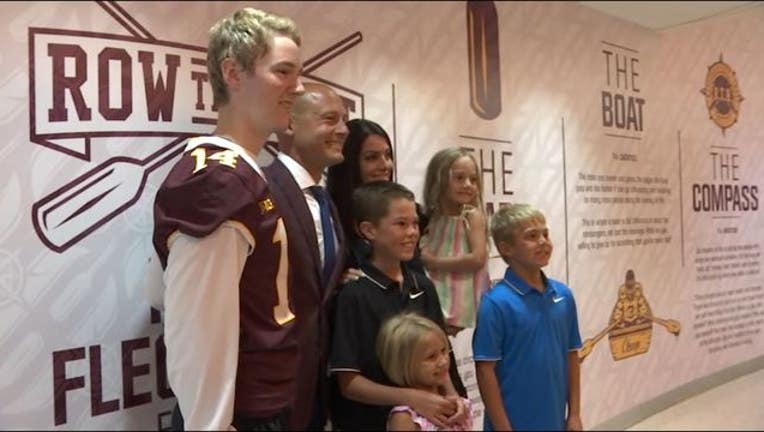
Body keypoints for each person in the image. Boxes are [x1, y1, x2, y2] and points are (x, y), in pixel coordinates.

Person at [150, 7, 304, 430]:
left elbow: (160, 292)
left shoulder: (238, 171)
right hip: (240, 415)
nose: (299, 87)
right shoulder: (218, 180)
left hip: (259, 404)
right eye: (284, 72)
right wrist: (210, 423)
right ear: (233, 73)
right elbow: (195, 330)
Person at [329, 181, 468, 430]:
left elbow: (443, 355)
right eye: (401, 224)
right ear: (369, 230)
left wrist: (453, 396)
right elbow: (348, 382)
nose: (412, 232)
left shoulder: (423, 286)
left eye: (415, 224)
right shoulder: (354, 294)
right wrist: (412, 398)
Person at [262, 82, 348, 430]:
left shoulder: (326, 200)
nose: (343, 130)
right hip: (268, 392)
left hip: (314, 390)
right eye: (330, 119)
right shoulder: (261, 189)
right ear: (290, 125)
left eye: (344, 120)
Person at [473, 203, 583, 431]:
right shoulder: (495, 304)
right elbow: (485, 371)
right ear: (506, 248)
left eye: (545, 234)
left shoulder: (563, 295)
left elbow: (572, 356)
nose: (543, 241)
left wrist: (574, 414)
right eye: (531, 236)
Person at [420, 147, 491, 335]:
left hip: (461, 301)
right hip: (436, 302)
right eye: (459, 178)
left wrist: (435, 263)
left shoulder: (471, 216)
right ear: (439, 179)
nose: (468, 184)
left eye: (473, 179)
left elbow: (477, 258)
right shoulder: (431, 218)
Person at [377, 312, 473, 431]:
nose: (443, 361)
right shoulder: (404, 418)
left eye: (443, 350)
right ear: (403, 364)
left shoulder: (455, 403)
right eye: (431, 357)